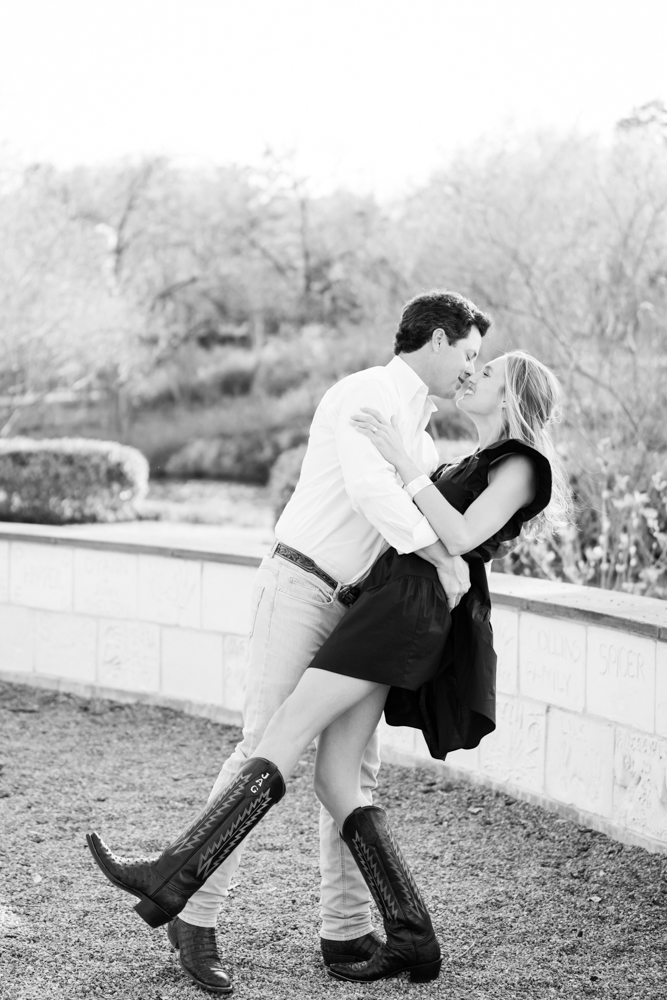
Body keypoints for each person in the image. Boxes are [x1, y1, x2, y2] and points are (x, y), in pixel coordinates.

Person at [87, 347, 571, 987]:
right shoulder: (466, 456)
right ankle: (411, 934)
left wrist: (400, 460)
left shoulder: (523, 464)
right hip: (386, 603)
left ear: (512, 396)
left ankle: (172, 876)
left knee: (283, 733)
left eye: (488, 372)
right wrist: (410, 469)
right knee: (338, 780)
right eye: (473, 360)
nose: (472, 373)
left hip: (400, 613)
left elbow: (457, 537)